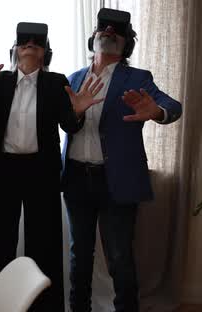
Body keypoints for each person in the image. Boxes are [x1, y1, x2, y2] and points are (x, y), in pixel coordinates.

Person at [0, 22, 101, 311]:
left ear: (45, 53)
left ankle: (46, 308)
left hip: (41, 174)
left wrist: (78, 111)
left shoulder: (56, 82)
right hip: (1, 172)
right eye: (24, 42)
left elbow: (69, 125)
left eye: (37, 43)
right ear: (15, 50)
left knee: (45, 245)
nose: (30, 45)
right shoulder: (0, 80)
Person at [62, 8, 182, 311]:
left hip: (117, 180)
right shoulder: (73, 79)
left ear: (126, 42)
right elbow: (60, 122)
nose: (109, 32)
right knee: (79, 256)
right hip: (76, 178)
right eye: (104, 27)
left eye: (117, 30)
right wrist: (73, 112)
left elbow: (173, 106)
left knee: (119, 256)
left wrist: (156, 111)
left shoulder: (138, 78)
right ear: (94, 36)